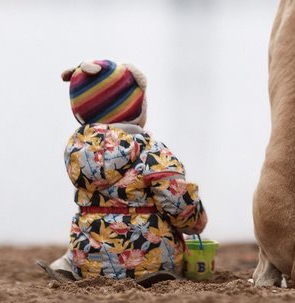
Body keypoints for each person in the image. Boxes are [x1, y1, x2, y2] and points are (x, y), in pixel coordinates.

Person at [38, 59, 207, 285]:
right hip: (151, 259)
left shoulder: (76, 153)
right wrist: (197, 222)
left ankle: (73, 267)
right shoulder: (153, 152)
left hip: (88, 260)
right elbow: (180, 206)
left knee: (87, 228)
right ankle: (147, 273)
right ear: (134, 107)